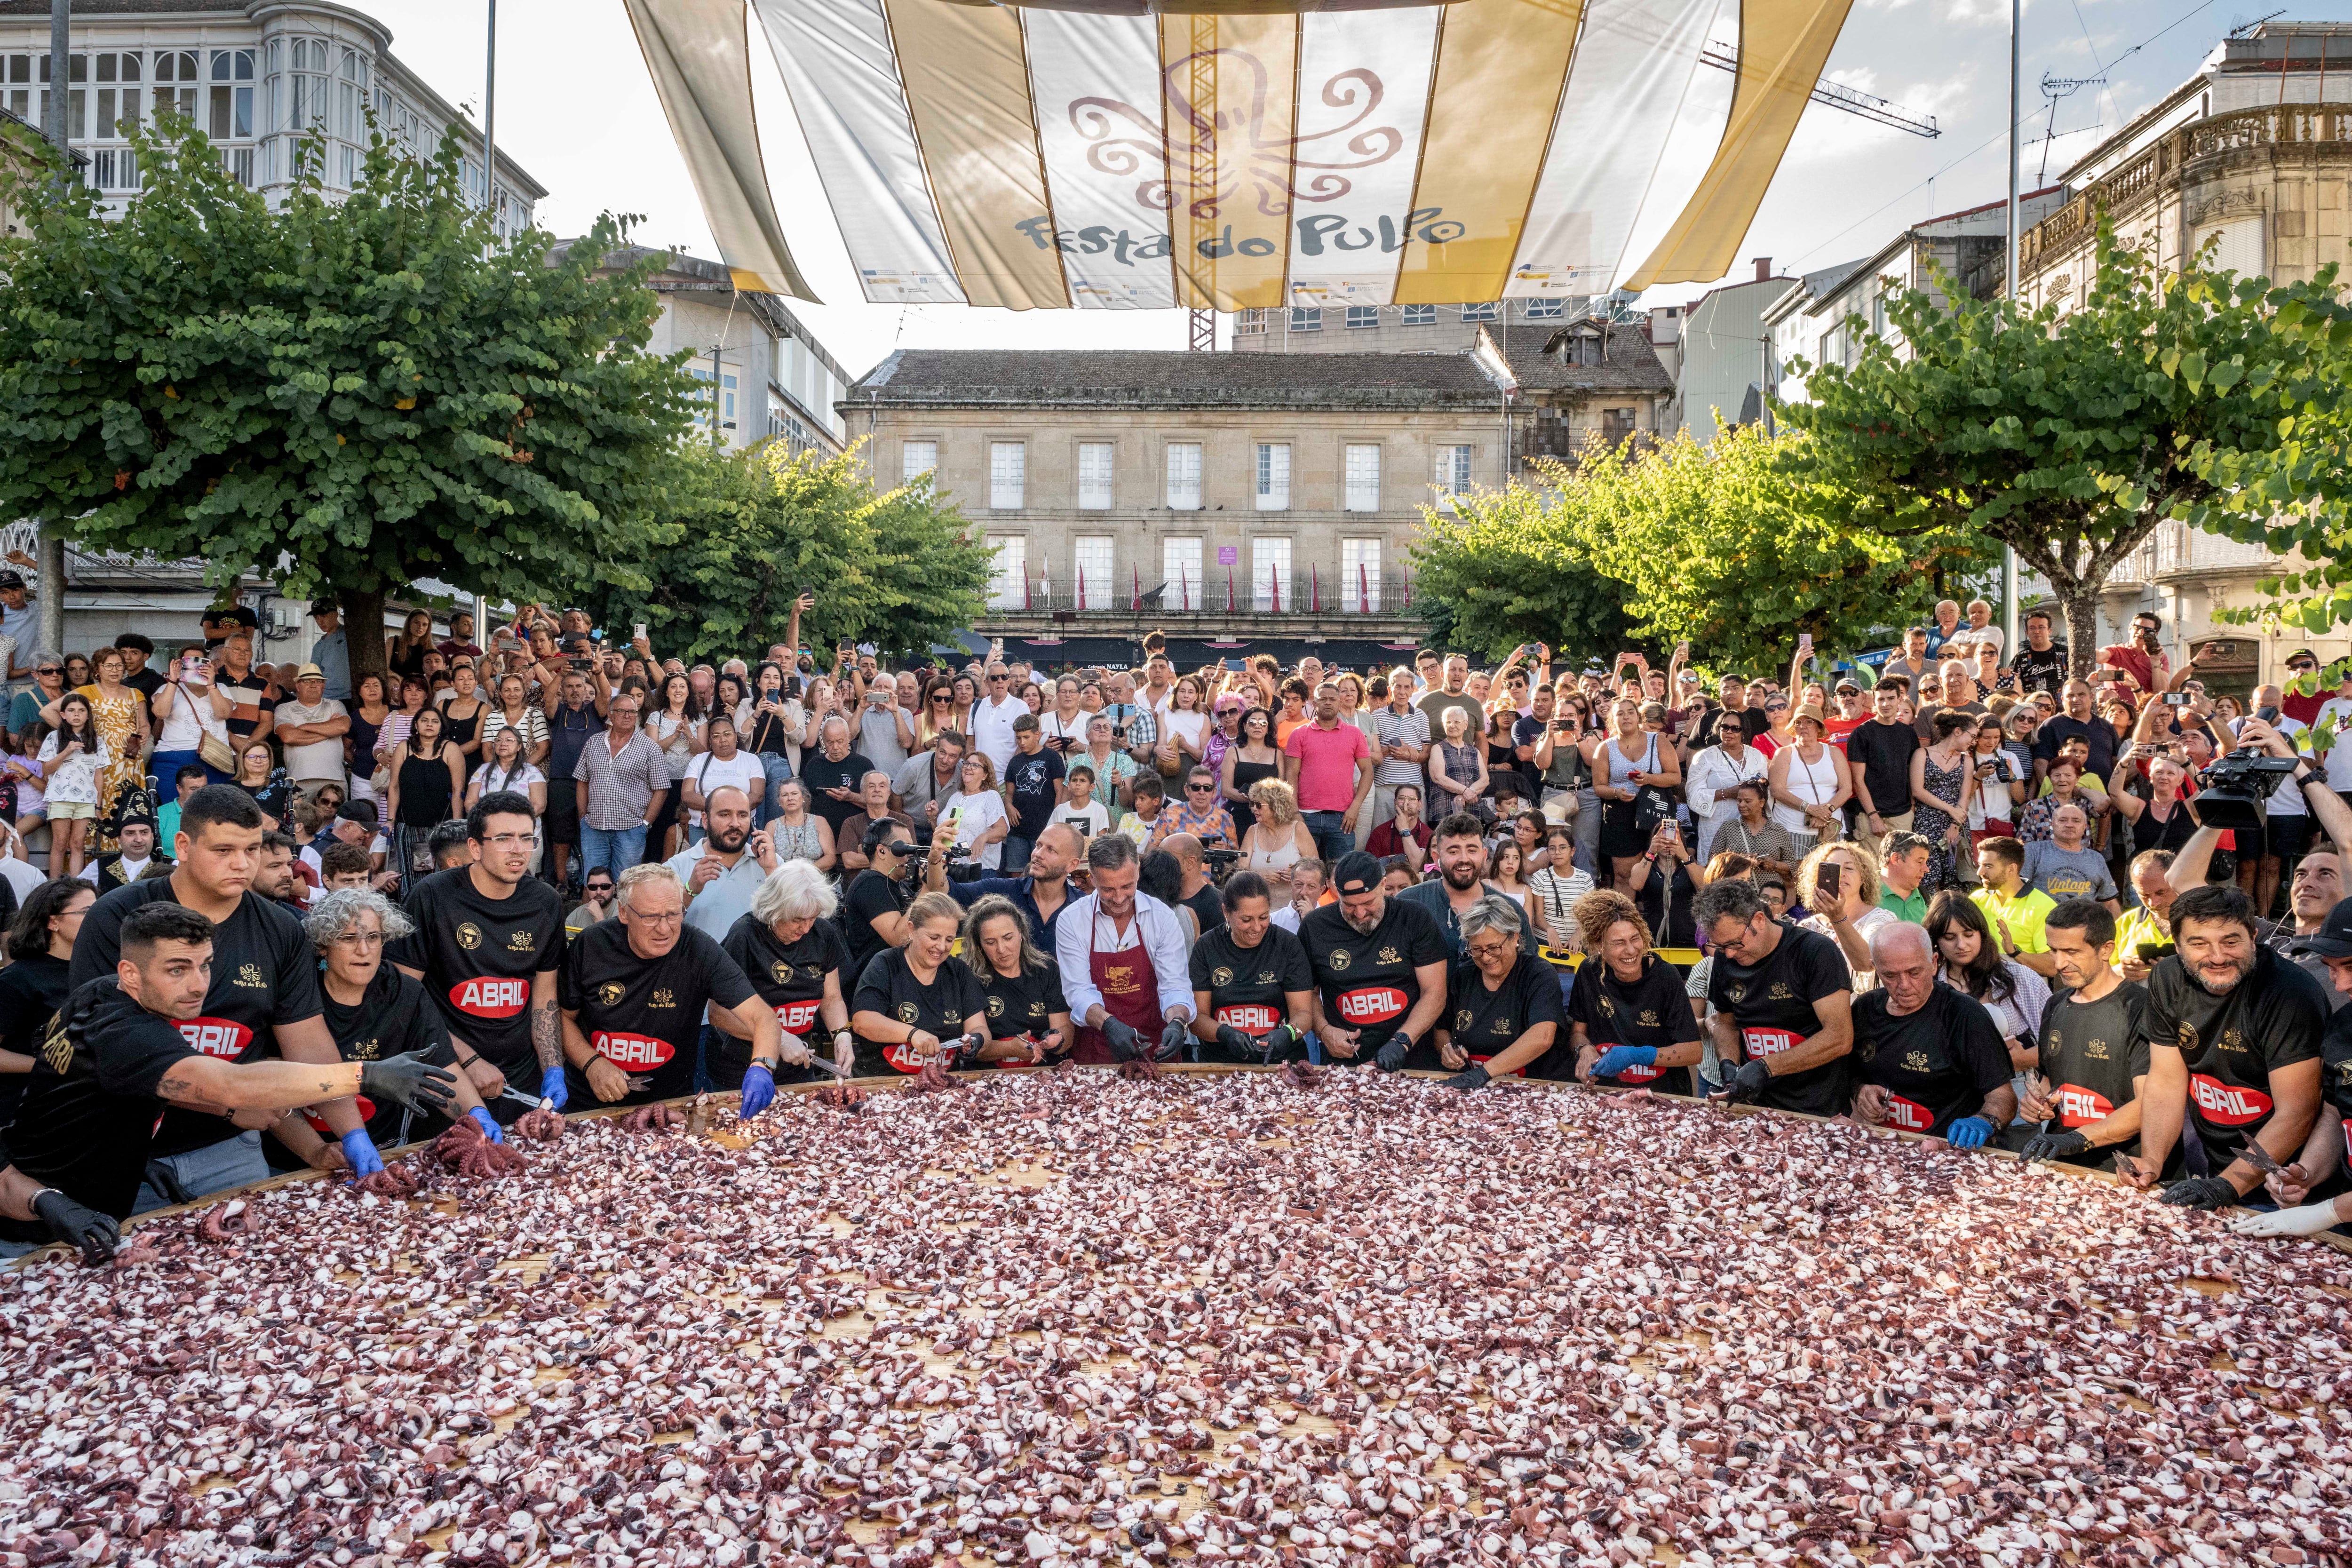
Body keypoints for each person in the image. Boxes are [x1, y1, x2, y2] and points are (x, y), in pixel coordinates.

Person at [0, 901, 456, 1256]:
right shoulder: (127, 1033)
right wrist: (367, 1074)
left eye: (205, 965)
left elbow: (114, 1085)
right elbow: (229, 1083)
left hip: (93, 1210)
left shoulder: (97, 993)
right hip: (34, 1232)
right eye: (177, 969)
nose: (199, 985)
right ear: (130, 973)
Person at [2123, 884, 2328, 1210]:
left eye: (2231, 941)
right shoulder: (2166, 976)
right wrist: (2153, 1159)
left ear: (2254, 936)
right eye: (2199, 944)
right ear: (2177, 945)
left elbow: (2298, 1111)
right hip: (2212, 1166)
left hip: (2285, 1183)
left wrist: (2230, 1184)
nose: (2217, 957)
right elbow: (2166, 1080)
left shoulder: (2290, 992)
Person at [387, 789, 569, 1118]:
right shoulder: (432, 895)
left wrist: (553, 1067)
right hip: (448, 1070)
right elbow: (404, 997)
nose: (518, 850)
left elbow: (544, 997)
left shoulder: (546, 902)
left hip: (521, 1075)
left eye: (527, 838)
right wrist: (467, 1061)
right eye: (503, 838)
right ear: (475, 847)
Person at [561, 863, 790, 1111]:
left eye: (673, 914)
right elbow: (562, 1018)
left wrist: (762, 1067)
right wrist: (591, 1063)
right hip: (590, 1103)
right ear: (624, 913)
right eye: (650, 917)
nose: (664, 928)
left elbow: (763, 1017)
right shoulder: (592, 944)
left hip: (671, 1105)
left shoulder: (699, 949)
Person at [309, 887, 493, 1150]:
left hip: (387, 1147)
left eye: (373, 937)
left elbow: (441, 1067)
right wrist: (313, 1149)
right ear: (324, 945)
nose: (364, 950)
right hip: (303, 1155)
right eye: (349, 938)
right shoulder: (301, 989)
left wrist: (475, 1116)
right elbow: (276, 1083)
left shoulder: (405, 991)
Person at [2012, 899, 2154, 1170]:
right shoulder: (2055, 1004)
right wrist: (2036, 1103)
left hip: (2124, 1169)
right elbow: (2050, 1079)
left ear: (2106, 950)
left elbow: (2151, 1105)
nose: (2059, 963)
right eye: (2053, 950)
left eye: (2072, 952)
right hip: (2061, 1162)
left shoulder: (2140, 1008)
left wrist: (2076, 1139)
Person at [1844, 920, 2016, 1145]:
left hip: (1946, 1148)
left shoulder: (1964, 1015)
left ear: (1934, 963)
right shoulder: (1865, 1008)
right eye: (1890, 975)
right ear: (1876, 967)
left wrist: (1984, 1121)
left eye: (1914, 972)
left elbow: (2004, 1096)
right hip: (1882, 1144)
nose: (1904, 985)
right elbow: (1844, 1070)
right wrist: (1859, 1089)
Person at [1698, 876, 1855, 1115]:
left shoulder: (1814, 951)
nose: (1728, 954)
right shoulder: (1725, 957)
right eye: (1720, 946)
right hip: (1754, 1105)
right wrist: (1729, 1066)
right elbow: (1726, 1023)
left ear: (1760, 920)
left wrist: (1765, 1067)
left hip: (1814, 1109)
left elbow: (1840, 1037)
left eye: (1735, 944)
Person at [1053, 833, 1195, 1065]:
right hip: (1096, 1050)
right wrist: (1109, 1025)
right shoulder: (1072, 920)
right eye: (1108, 889)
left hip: (1156, 1049)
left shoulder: (1162, 919)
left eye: (1127, 886)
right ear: (1093, 879)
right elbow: (1078, 991)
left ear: (1138, 871)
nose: (1119, 898)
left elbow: (1175, 985)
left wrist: (1178, 1022)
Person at [1302, 851, 1449, 1070]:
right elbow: (1307, 994)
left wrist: (1403, 1040)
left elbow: (1435, 992)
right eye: (1349, 906)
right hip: (1344, 1061)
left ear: (1383, 885)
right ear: (1334, 892)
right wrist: (1324, 1031)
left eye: (1369, 902)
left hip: (1411, 1055)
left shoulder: (1414, 917)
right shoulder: (1315, 926)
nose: (1360, 913)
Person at [717, 859, 854, 1084]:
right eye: (797, 920)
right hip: (743, 1067)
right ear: (774, 909)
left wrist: (842, 1034)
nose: (806, 928)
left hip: (799, 1065)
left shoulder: (823, 933)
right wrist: (777, 1038)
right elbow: (719, 1012)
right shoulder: (744, 935)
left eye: (813, 918)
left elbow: (831, 998)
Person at [1925, 888, 2051, 1109]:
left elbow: (2061, 1042)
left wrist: (2025, 1058)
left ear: (1982, 933)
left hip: (2019, 1096)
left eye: (1969, 934)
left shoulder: (2019, 977)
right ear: (1935, 941)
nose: (1961, 945)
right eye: (1949, 937)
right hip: (1949, 1100)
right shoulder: (1927, 984)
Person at [1565, 888, 1701, 1092]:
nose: (1631, 950)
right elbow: (1578, 1032)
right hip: (1607, 1090)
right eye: (1619, 943)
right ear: (1599, 945)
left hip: (1661, 1093)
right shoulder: (1589, 971)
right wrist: (1584, 1049)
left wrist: (1637, 1055)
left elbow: (1693, 1051)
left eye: (1635, 939)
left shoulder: (1666, 976)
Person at [1430, 892, 1564, 1090]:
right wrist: (1447, 1049)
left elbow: (1542, 1038)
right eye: (1477, 949)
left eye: (1494, 948)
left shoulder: (1538, 973)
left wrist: (1484, 1073)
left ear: (1515, 938)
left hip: (1534, 1088)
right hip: (1473, 1088)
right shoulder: (1464, 975)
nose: (1486, 958)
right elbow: (1442, 1029)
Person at [849, 889, 987, 1077]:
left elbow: (979, 1028)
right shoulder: (886, 963)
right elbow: (863, 1021)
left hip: (943, 1087)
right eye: (934, 938)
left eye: (949, 940)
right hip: (884, 1083)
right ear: (912, 929)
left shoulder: (958, 971)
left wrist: (977, 1040)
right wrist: (913, 1034)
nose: (942, 947)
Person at [1187, 871, 1312, 1064]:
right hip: (1222, 1063)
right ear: (1226, 912)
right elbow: (1198, 1019)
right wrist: (1225, 1034)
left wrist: (1287, 1034)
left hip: (1281, 1063)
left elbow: (1303, 1014)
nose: (1256, 927)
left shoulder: (1288, 945)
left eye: (1264, 917)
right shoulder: (1207, 946)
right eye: (1246, 920)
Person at [0, 879, 91, 1131]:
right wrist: (51, 1066)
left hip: (82, 1110)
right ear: (53, 922)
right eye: (85, 912)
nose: (95, 918)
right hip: (26, 1114)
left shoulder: (101, 970)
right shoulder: (18, 979)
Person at [961, 894, 1070, 1067]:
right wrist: (1008, 1049)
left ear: (1021, 933)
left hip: (1045, 1075)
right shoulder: (969, 977)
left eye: (1008, 938)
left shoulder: (1047, 969)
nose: (1001, 949)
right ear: (979, 945)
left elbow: (1066, 1030)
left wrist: (1056, 1039)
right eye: (991, 942)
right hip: (987, 1078)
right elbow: (970, 1047)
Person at [572, 692, 670, 878]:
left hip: (631, 829)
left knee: (626, 884)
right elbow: (582, 781)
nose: (627, 716)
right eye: (622, 711)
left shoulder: (649, 747)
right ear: (610, 715)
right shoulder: (593, 742)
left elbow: (661, 790)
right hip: (594, 827)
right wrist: (583, 818)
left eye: (632, 712)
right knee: (594, 883)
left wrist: (645, 824)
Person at [1284, 681, 1373, 864]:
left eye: (1333, 699)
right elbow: (1291, 775)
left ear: (1340, 703)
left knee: (1341, 874)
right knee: (1305, 871)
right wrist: (1295, 813)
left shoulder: (1355, 734)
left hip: (1343, 817)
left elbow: (1368, 772)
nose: (1328, 703)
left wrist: (1355, 808)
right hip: (1306, 815)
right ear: (1314, 704)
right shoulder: (1299, 734)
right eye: (1322, 699)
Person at [1396, 813, 1500, 963]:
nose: (1464, 859)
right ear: (1436, 857)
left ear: (1484, 856)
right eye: (1453, 852)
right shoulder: (1408, 903)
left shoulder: (1508, 908)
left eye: (1472, 850)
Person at [382, 706, 463, 883]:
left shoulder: (451, 749)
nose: (430, 725)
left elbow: (458, 791)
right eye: (424, 721)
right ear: (416, 725)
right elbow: (394, 787)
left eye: (435, 721)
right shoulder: (404, 748)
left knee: (442, 878)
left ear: (441, 727)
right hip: (408, 824)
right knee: (411, 878)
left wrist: (456, 825)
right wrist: (390, 821)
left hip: (441, 827)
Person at [33, 690, 108, 878]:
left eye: (82, 711)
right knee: (60, 843)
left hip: (86, 799)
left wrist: (98, 805)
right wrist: (66, 751)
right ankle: (54, 885)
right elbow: (45, 770)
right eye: (72, 710)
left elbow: (99, 775)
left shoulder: (96, 740)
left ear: (88, 715)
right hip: (60, 797)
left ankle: (76, 885)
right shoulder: (53, 738)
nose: (77, 714)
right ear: (63, 715)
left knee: (78, 844)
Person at [1685, 713, 1768, 863]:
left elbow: (1767, 791)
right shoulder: (1705, 757)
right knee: (1716, 874)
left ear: (1744, 732)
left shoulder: (1756, 756)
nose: (1729, 732)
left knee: (1748, 874)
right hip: (1716, 828)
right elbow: (1692, 795)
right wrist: (1728, 793)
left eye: (1735, 728)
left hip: (1751, 828)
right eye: (1725, 727)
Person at [843, 820, 921, 979]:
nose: (910, 855)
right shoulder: (871, 884)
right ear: (882, 851)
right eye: (905, 848)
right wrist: (927, 891)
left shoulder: (896, 883)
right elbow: (899, 939)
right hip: (878, 979)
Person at [1000, 715, 1066, 876]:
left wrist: (1055, 821)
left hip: (1044, 828)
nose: (1022, 742)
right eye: (1018, 738)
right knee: (1016, 874)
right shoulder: (1015, 762)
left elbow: (1061, 792)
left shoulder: (1051, 758)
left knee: (1043, 873)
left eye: (1026, 737)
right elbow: (1009, 794)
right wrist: (1009, 806)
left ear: (1037, 735)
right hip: (1018, 830)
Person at [273, 663, 350, 801]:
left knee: (335, 821)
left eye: (318, 681)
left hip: (335, 779)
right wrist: (329, 730)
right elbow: (289, 737)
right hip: (299, 779)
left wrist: (303, 726)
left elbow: (343, 727)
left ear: (324, 685)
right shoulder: (284, 708)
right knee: (301, 821)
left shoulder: (335, 705)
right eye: (307, 681)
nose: (313, 685)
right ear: (298, 686)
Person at [2022, 802, 2118, 911]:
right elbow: (2016, 890)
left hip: (2083, 924)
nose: (2069, 825)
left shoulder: (2096, 858)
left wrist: (2118, 928)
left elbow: (2110, 903)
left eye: (2076, 821)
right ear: (2052, 824)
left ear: (2084, 827)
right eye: (2063, 820)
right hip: (2041, 924)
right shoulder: (2033, 851)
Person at [1370, 673, 1431, 838]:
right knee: (1382, 833)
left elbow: (1426, 753)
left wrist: (1411, 755)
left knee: (1416, 834)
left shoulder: (1421, 716)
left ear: (1413, 690)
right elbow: (1372, 754)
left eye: (1407, 687)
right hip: (1385, 784)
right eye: (1398, 687)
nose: (1402, 692)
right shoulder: (1377, 716)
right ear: (1391, 690)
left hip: (1414, 784)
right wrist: (1392, 750)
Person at [80, 793, 168, 891]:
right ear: (119, 838)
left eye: (144, 833)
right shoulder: (99, 867)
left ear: (152, 836)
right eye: (130, 833)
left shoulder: (172, 866)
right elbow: (73, 897)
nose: (139, 839)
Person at [1365, 782, 1431, 862]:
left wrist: (1405, 830)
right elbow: (1370, 865)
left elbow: (1420, 865)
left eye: (1412, 799)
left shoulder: (1428, 835)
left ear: (1420, 805)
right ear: (1395, 803)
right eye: (1401, 798)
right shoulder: (1380, 832)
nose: (1406, 803)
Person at [565, 868, 617, 935]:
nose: (599, 892)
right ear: (587, 890)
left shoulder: (625, 912)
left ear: (614, 888)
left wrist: (600, 920)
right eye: (593, 887)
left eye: (605, 887)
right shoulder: (576, 916)